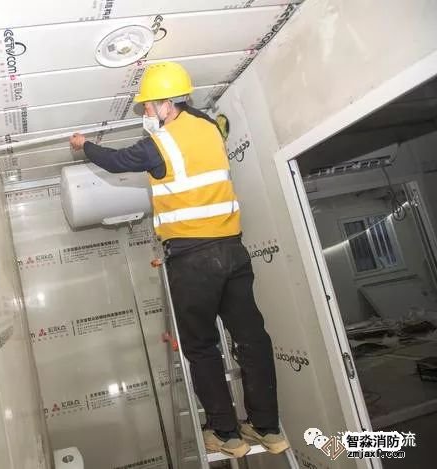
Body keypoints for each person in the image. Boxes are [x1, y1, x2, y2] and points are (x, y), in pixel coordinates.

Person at [69, 61, 289, 458]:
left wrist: (85, 144)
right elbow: (199, 120)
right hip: (233, 251)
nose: (145, 112)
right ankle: (268, 429)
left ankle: (226, 434)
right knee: (252, 339)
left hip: (193, 259)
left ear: (168, 104)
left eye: (149, 105)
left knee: (202, 347)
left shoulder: (162, 143)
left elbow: (117, 161)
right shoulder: (208, 127)